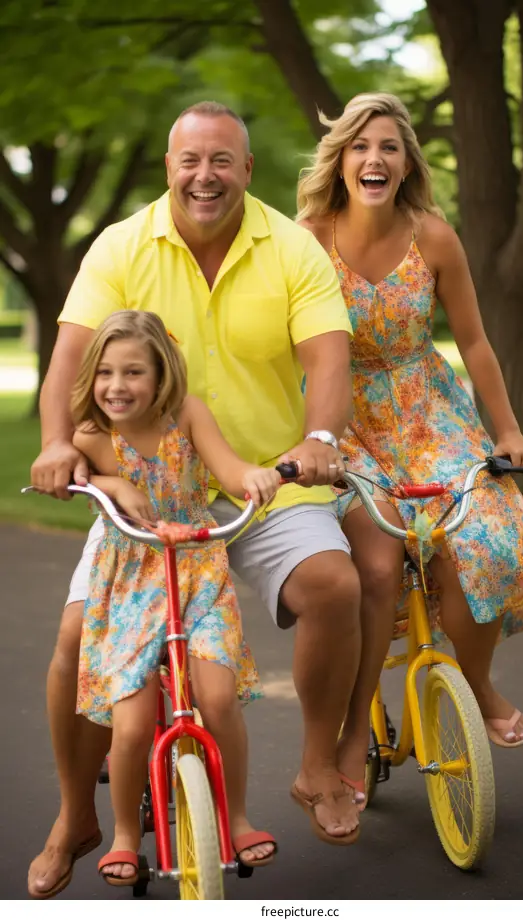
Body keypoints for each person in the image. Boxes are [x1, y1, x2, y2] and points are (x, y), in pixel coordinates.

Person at [28, 101, 361, 899]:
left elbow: (329, 361)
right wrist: (59, 447)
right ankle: (78, 817)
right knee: (77, 635)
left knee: (334, 583)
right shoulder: (120, 245)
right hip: (149, 498)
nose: (204, 176)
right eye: (190, 161)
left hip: (259, 478)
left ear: (248, 169)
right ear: (170, 167)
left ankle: (317, 768)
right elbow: (70, 362)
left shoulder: (293, 248)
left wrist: (317, 439)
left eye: (222, 161)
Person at [297, 92, 523, 804]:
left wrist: (508, 428)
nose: (374, 158)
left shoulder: (434, 235)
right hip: (346, 419)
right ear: (341, 160)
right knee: (382, 563)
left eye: (388, 146)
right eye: (360, 146)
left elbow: (475, 342)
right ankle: (353, 738)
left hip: (428, 409)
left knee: (476, 536)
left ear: (406, 162)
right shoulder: (307, 237)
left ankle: (478, 685)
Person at [71, 310, 281, 882]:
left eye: (134, 372)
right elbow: (76, 474)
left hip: (195, 570)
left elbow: (230, 468)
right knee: (134, 724)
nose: (118, 386)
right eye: (107, 373)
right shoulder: (92, 435)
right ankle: (120, 836)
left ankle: (236, 818)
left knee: (216, 698)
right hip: (129, 578)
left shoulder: (187, 415)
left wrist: (252, 478)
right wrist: (112, 482)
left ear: (161, 376)